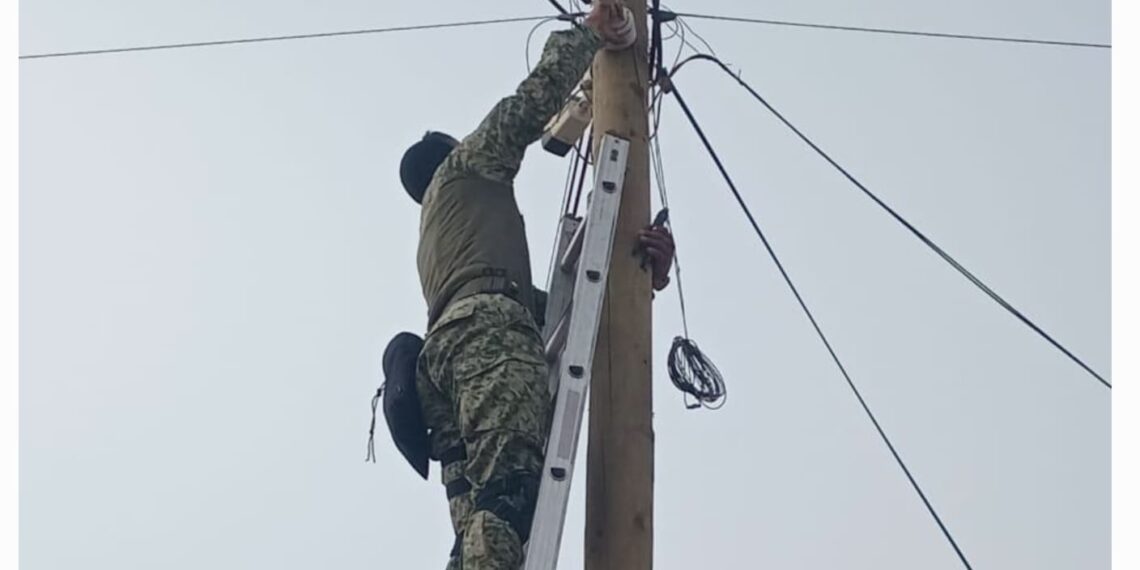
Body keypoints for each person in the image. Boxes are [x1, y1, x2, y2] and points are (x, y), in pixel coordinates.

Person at [391, 2, 675, 567]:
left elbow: (551, 315)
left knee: (481, 525)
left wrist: (641, 276)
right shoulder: (467, 168)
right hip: (486, 344)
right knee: (513, 495)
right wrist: (587, 34)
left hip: (450, 362)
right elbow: (526, 108)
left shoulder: (442, 232)